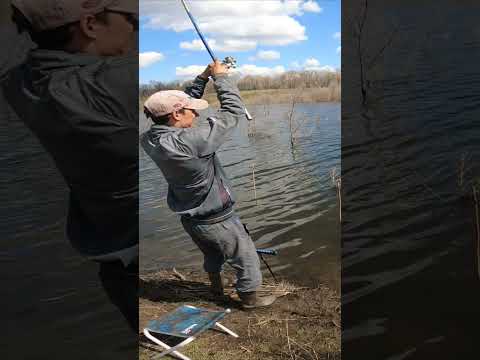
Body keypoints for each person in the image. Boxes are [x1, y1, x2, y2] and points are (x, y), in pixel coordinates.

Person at [1, 0, 139, 332]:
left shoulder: (19, 84)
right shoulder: (115, 83)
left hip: (110, 253)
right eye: (131, 18)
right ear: (90, 25)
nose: (135, 27)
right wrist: (217, 77)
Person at [141, 60, 277, 309]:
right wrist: (222, 79)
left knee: (213, 254)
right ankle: (250, 298)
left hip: (191, 218)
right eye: (191, 110)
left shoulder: (150, 139)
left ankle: (216, 288)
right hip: (217, 218)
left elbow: (180, 106)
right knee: (244, 255)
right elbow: (233, 113)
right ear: (176, 115)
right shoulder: (193, 140)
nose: (196, 113)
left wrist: (204, 78)